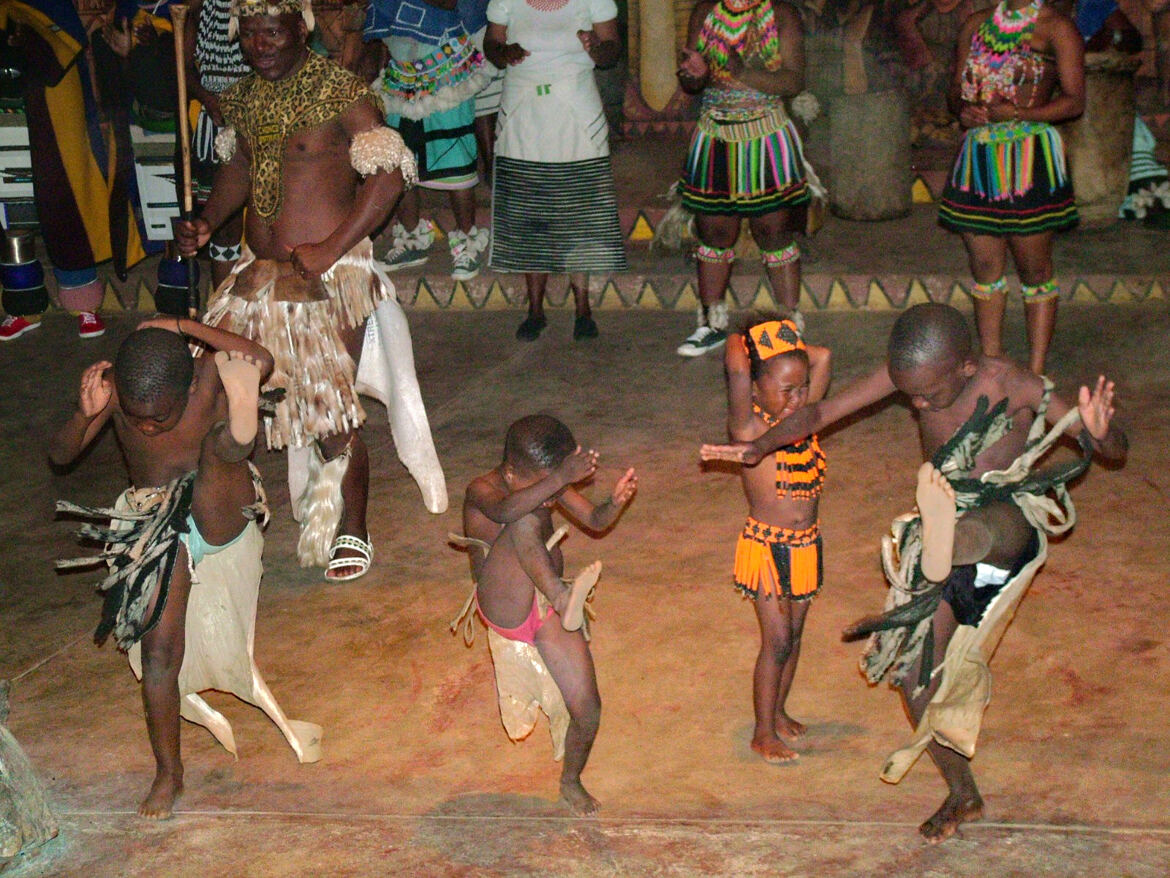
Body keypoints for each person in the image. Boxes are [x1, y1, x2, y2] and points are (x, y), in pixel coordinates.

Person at [702, 303, 1126, 842]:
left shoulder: (1018, 385)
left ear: (966, 367)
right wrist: (758, 446)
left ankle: (949, 540)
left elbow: (1112, 448)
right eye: (910, 396)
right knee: (911, 674)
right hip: (943, 544)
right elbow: (818, 415)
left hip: (1003, 522)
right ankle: (963, 792)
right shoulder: (914, 374)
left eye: (927, 395)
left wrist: (1100, 433)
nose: (917, 404)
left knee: (986, 525)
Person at [175, 0, 444, 581]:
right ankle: (222, 517)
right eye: (250, 35)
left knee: (329, 413)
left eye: (272, 32)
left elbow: (389, 175)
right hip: (257, 271)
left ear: (301, 28)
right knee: (213, 392)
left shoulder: (339, 91)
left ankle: (354, 526)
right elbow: (240, 168)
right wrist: (208, 220)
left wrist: (332, 247)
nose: (260, 46)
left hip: (329, 274)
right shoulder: (244, 95)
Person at [50, 320, 320, 820]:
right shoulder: (116, 391)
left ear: (192, 385)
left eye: (160, 417)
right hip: (156, 524)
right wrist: (83, 414)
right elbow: (61, 454)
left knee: (216, 451)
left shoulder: (210, 373)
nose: (148, 428)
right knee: (159, 652)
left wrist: (181, 326)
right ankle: (168, 772)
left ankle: (241, 425)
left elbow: (261, 360)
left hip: (221, 506)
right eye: (137, 419)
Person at [459, 414, 636, 814]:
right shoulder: (482, 489)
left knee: (587, 708)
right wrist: (559, 479)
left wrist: (614, 502)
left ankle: (571, 781)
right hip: (504, 601)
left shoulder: (546, 482)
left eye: (558, 482)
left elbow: (594, 520)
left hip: (544, 603)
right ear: (510, 473)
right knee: (523, 518)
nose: (553, 496)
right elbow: (506, 510)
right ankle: (562, 597)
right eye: (548, 483)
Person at [939, 0, 1085, 375]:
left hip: (1030, 160)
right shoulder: (976, 24)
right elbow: (955, 90)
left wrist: (1020, 114)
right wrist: (964, 109)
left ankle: (1035, 374)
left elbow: (1074, 101)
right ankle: (992, 364)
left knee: (1034, 269)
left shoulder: (1057, 28)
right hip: (980, 159)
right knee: (985, 266)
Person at [719, 314, 830, 763]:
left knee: (795, 637)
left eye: (802, 388)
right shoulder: (748, 429)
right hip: (766, 547)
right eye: (785, 389)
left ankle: (778, 712)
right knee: (777, 640)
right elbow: (737, 368)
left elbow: (822, 357)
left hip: (806, 546)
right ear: (754, 389)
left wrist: (783, 343)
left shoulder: (802, 420)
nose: (797, 398)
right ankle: (762, 733)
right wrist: (742, 338)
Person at [673, 0, 811, 357]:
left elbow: (793, 80)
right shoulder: (705, 11)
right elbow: (692, 81)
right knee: (714, 232)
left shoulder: (782, 14)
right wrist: (694, 74)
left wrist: (741, 71)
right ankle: (711, 324)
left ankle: (786, 327)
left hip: (766, 135)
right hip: (715, 134)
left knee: (773, 231)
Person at [483, 0, 627, 341]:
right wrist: (504, 53)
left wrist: (596, 48)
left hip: (576, 110)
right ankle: (535, 310)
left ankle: (583, 310)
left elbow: (611, 51)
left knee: (579, 211)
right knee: (529, 210)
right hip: (522, 110)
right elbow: (492, 44)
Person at [365, 0, 492, 280]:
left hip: (447, 73)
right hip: (401, 75)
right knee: (402, 162)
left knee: (455, 161)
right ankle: (412, 239)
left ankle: (467, 242)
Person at [184, 0, 252, 286]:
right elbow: (184, 68)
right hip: (213, 120)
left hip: (261, 113)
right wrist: (208, 98)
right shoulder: (200, 8)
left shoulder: (262, 7)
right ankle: (222, 300)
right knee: (223, 223)